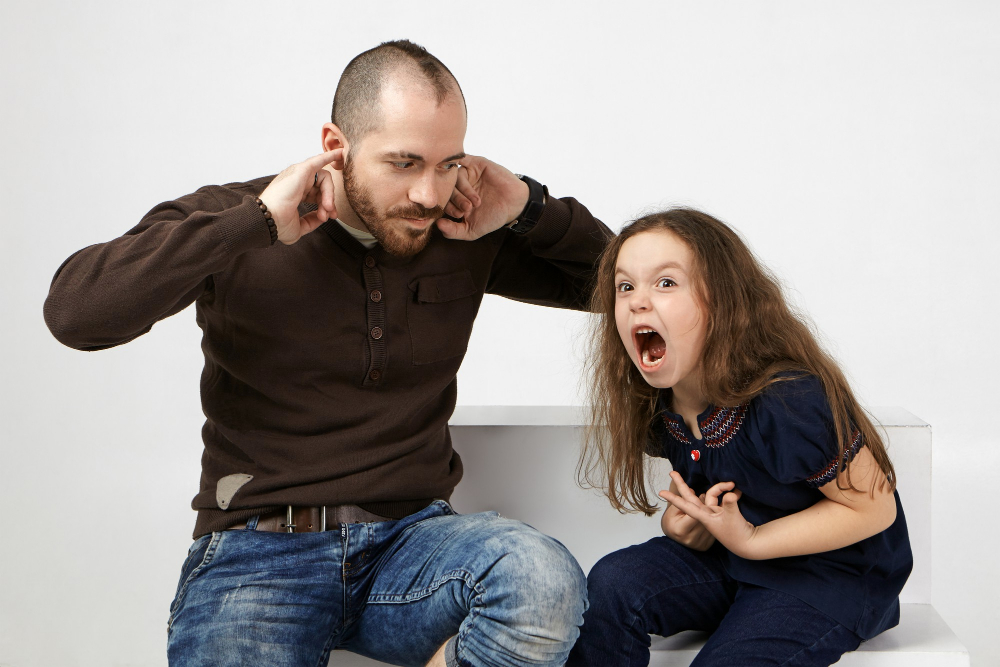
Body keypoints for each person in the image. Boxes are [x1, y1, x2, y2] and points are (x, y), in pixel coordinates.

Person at [44, 40, 611, 667]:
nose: (428, 192)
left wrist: (531, 210)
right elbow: (75, 314)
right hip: (256, 556)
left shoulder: (458, 226)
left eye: (448, 163)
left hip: (415, 545)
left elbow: (628, 289)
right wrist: (253, 226)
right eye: (403, 163)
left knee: (541, 578)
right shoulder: (239, 219)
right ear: (336, 145)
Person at [567, 208, 912, 666]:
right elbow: (717, 494)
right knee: (613, 583)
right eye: (625, 286)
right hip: (735, 562)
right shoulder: (659, 403)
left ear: (723, 302)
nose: (638, 301)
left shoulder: (788, 400)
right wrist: (691, 528)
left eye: (666, 283)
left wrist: (751, 539)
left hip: (831, 577)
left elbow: (874, 506)